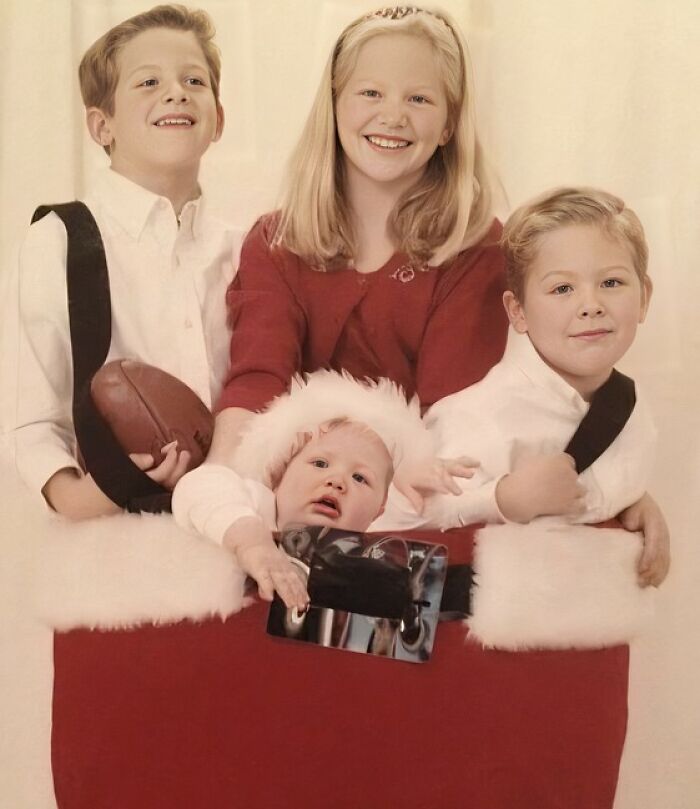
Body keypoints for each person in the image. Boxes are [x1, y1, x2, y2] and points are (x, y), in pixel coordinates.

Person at [51, 8, 671, 809]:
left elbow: (469, 416)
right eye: (370, 92)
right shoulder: (275, 239)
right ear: (335, 101)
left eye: (420, 99)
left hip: (415, 494)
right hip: (297, 482)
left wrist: (619, 483)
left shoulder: (479, 249)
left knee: (409, 728)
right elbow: (257, 379)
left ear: (450, 121)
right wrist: (223, 495)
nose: (392, 115)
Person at [1, 4, 237, 519]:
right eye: (148, 82)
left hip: (234, 533)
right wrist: (83, 499)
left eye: (194, 80)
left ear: (218, 120)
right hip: (112, 539)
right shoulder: (58, 241)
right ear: (101, 125)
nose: (175, 92)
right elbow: (32, 421)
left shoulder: (244, 252)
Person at [373, 186, 670, 587]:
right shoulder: (477, 417)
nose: (591, 304)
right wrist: (502, 499)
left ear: (644, 298)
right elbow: (391, 529)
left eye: (612, 283)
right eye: (562, 288)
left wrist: (632, 501)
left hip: (593, 633)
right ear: (518, 311)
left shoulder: (632, 408)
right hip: (484, 640)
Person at [174, 369, 449, 608]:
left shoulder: (377, 543)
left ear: (380, 509)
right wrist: (251, 542)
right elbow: (199, 486)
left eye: (360, 478)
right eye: (319, 463)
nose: (337, 481)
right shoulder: (258, 504)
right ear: (279, 476)